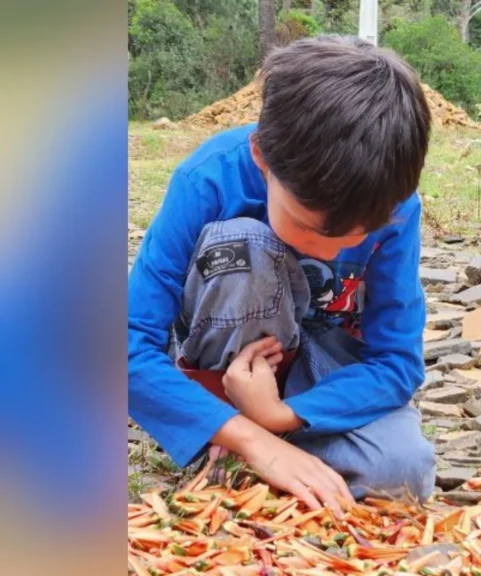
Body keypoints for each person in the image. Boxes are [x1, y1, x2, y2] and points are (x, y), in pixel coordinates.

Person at [128, 35, 436, 515]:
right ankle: (227, 438)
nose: (333, 247)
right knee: (245, 244)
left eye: (361, 233)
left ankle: (265, 452)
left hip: (321, 376)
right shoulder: (209, 178)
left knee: (405, 473)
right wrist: (251, 436)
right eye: (310, 225)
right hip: (230, 365)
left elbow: (398, 362)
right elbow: (124, 347)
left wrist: (281, 417)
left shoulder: (394, 201)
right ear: (261, 158)